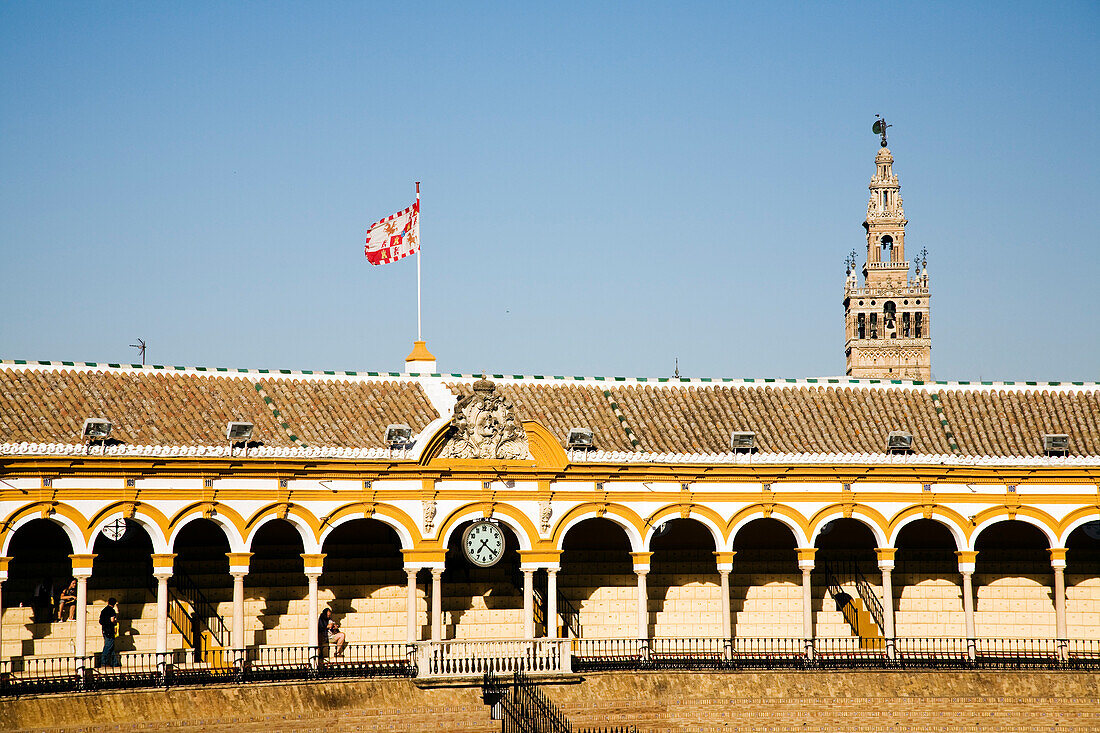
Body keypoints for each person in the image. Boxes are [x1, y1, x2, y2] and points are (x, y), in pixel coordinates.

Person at [98, 597, 119, 667]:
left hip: (104, 629)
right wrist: (115, 622)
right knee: (108, 646)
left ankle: (115, 662)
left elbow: (100, 621)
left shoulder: (103, 610)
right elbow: (112, 620)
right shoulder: (112, 611)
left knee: (111, 646)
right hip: (110, 630)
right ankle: (103, 662)